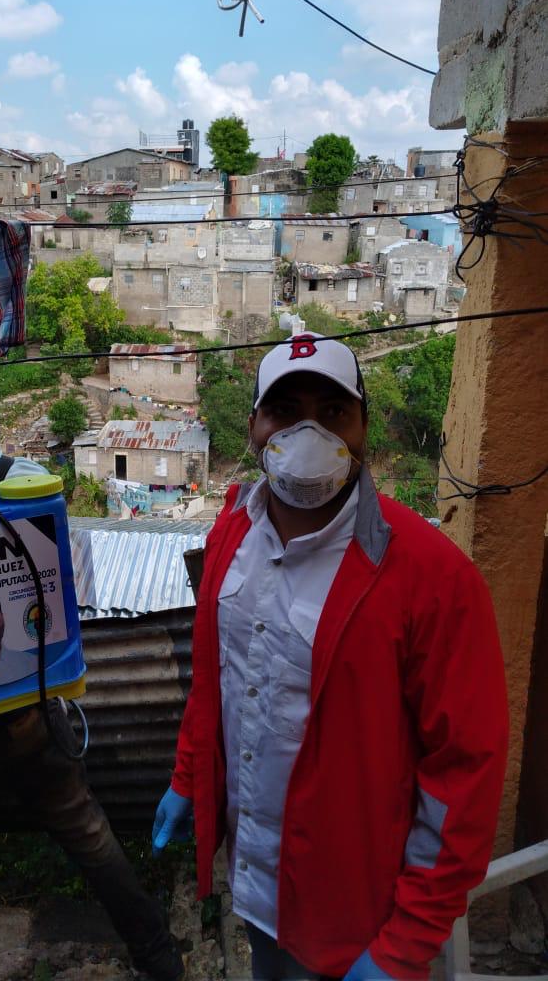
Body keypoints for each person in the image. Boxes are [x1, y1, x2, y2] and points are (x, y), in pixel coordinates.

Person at [152, 332, 508, 981]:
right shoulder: (231, 533)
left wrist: (406, 943)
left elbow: (464, 772)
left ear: (364, 428)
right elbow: (218, 682)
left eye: (333, 411)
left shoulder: (433, 579)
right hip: (255, 885)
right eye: (286, 412)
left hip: (356, 923)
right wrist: (188, 778)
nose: (309, 432)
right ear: (254, 425)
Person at [0, 368, 184, 981]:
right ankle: (159, 960)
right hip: (30, 716)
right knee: (87, 833)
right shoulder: (25, 483)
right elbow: (64, 601)